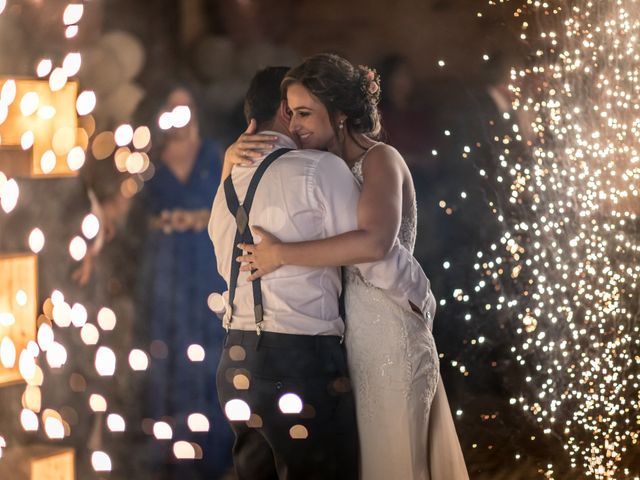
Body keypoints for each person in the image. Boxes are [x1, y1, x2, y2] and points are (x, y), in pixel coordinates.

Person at [228, 54, 469, 480]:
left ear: (339, 116)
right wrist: (231, 158)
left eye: (304, 113)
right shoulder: (320, 168)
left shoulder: (381, 160)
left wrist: (281, 254)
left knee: (394, 460)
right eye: (290, 114)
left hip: (389, 334)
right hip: (341, 341)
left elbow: (375, 243)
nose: (294, 126)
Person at [132, 84, 233, 479]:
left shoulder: (217, 154)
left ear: (195, 110)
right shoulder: (148, 159)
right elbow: (126, 209)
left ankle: (212, 451)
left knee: (207, 347)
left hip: (204, 261)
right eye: (170, 107)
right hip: (164, 263)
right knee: (166, 346)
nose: (178, 114)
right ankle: (168, 452)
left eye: (185, 107)